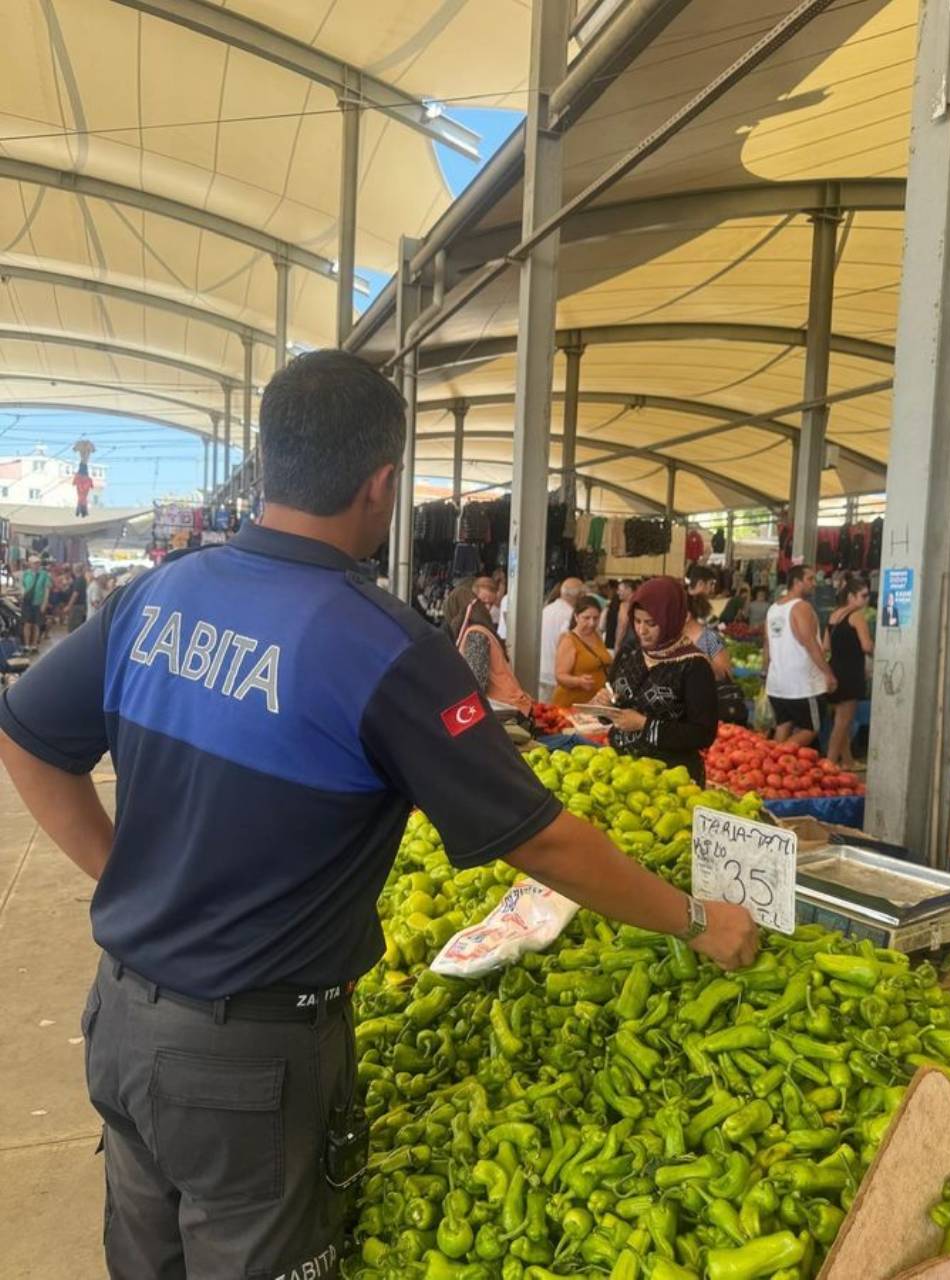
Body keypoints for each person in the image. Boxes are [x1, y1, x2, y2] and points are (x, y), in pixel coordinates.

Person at [0, 351, 758, 1278]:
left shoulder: (159, 594)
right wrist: (696, 920)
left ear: (271, 460)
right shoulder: (384, 646)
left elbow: (26, 741)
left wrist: (126, 874)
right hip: (250, 1062)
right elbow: (543, 839)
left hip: (121, 1016)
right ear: (383, 482)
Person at [597, 577, 719, 785]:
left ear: (671, 619)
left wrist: (644, 724)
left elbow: (703, 734)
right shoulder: (629, 653)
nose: (642, 630)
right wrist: (604, 706)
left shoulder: (694, 666)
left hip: (669, 780)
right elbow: (614, 700)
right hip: (621, 773)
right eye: (637, 621)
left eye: (651, 623)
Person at [764, 565, 838, 746]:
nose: (814, 584)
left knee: (784, 725)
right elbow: (810, 644)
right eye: (810, 579)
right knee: (811, 728)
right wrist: (828, 673)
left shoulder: (773, 608)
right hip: (802, 685)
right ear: (796, 582)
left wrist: (764, 672)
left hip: (777, 684)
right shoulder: (801, 607)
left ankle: (771, 767)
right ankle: (778, 759)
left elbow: (767, 645)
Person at [445, 581, 533, 716]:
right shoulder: (481, 630)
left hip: (502, 708)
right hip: (508, 705)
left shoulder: (475, 634)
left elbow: (476, 683)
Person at [825, 576, 873, 768]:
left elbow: (825, 645)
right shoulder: (856, 616)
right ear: (851, 596)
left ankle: (848, 761)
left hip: (835, 668)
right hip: (851, 672)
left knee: (840, 719)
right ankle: (828, 763)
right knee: (843, 722)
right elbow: (866, 646)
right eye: (864, 595)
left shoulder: (833, 615)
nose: (867, 600)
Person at [553, 595, 612, 707]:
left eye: (596, 618)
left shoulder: (597, 635)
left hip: (593, 704)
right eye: (586, 618)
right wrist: (578, 681)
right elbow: (560, 675)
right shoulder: (569, 640)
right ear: (576, 617)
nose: (592, 623)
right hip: (571, 704)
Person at [538, 577, 583, 702]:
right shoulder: (570, 615)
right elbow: (565, 643)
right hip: (557, 676)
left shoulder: (547, 609)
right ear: (578, 595)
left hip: (541, 671)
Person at [19, 555, 51, 651]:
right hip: (27, 603)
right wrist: (22, 593)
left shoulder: (44, 574)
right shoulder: (25, 574)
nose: (37, 565)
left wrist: (44, 603)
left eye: (38, 563)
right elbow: (22, 586)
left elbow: (47, 590)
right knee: (27, 624)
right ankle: (27, 645)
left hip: (38, 603)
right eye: (35, 563)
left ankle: (34, 645)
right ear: (30, 564)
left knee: (37, 624)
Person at [66, 563, 89, 633]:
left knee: (73, 627)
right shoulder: (81, 579)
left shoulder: (79, 580)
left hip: (77, 607)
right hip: (80, 606)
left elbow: (75, 594)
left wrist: (68, 606)